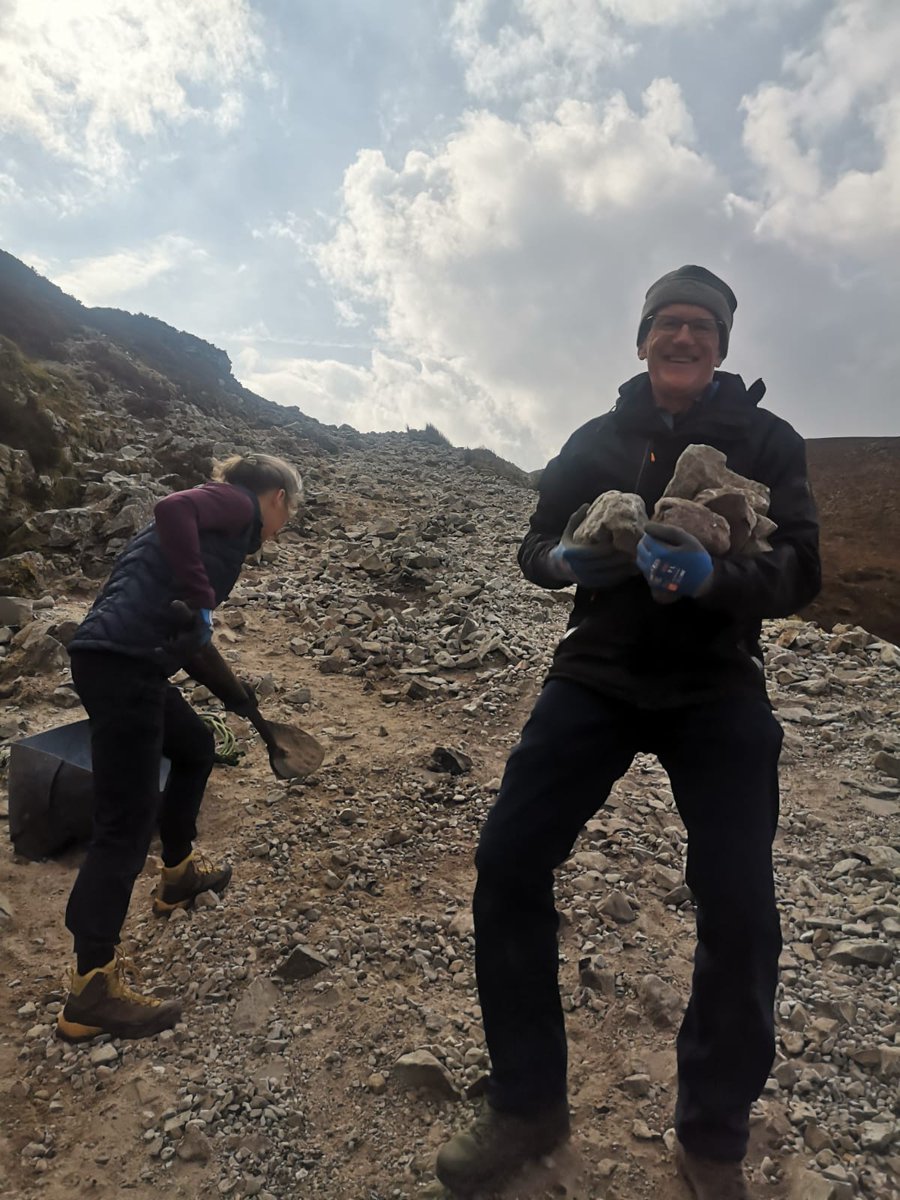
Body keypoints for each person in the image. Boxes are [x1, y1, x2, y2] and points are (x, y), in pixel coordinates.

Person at [436, 266, 820, 1200]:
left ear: (723, 344)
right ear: (642, 337)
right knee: (510, 863)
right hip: (597, 673)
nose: (683, 338)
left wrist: (717, 580)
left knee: (741, 910)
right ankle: (528, 1104)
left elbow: (802, 568)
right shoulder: (596, 438)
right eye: (667, 324)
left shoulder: (767, 441)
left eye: (701, 326)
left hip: (716, 682)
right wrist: (563, 562)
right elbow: (533, 543)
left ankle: (713, 1138)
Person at [57, 453, 303, 1043]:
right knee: (125, 824)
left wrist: (234, 693)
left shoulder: (220, 534)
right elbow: (171, 508)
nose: (283, 522)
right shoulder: (233, 503)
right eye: (288, 510)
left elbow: (186, 636)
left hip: (124, 660)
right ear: (275, 497)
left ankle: (178, 875)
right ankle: (90, 988)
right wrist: (201, 595)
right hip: (125, 668)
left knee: (193, 747)